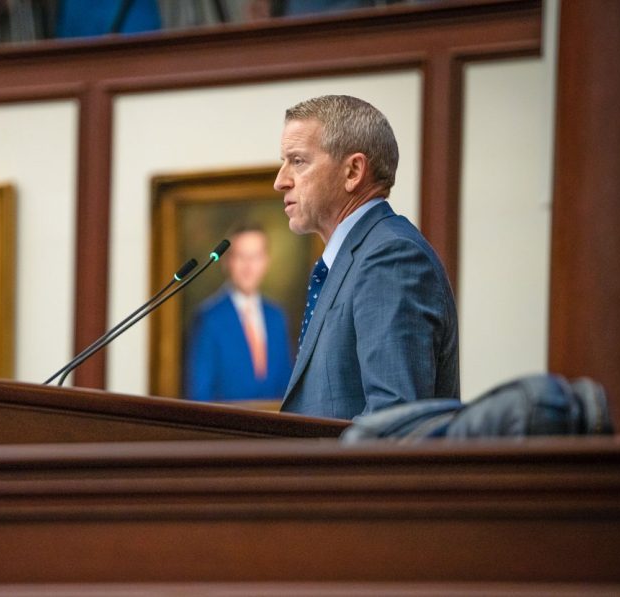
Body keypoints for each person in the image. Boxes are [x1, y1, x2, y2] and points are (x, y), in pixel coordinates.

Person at [274, 95, 459, 420]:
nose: (280, 181)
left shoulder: (391, 257)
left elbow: (394, 422)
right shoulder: (350, 261)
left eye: (298, 161)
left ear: (353, 171)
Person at [185, 223, 293, 402]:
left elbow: (287, 385)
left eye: (256, 256)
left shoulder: (276, 316)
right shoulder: (208, 318)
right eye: (241, 256)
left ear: (266, 261)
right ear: (227, 261)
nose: (248, 266)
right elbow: (200, 393)